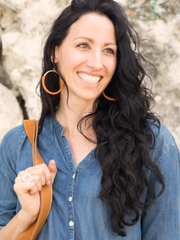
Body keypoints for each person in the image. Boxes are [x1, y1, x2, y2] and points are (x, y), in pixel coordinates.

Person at [0, 0, 179, 239]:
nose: (96, 63)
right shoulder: (17, 145)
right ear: (55, 52)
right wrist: (27, 215)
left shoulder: (154, 143)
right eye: (83, 45)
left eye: (109, 50)